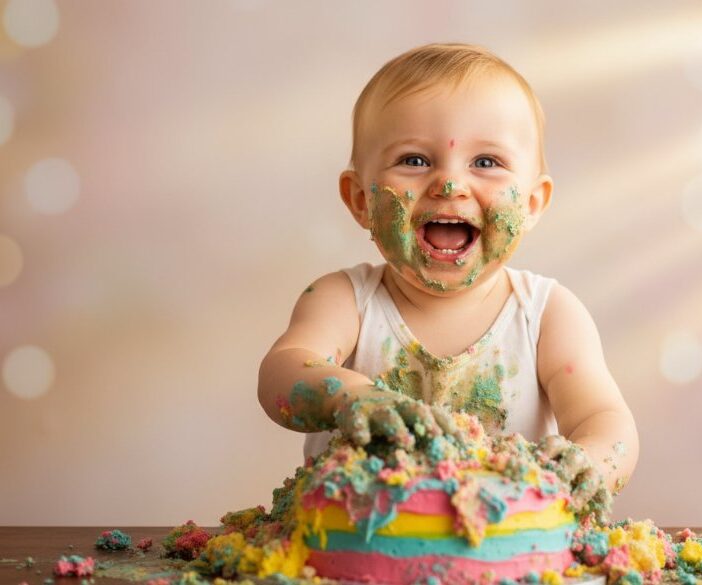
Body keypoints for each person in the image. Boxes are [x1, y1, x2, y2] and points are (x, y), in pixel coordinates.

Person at [257, 43, 638, 508]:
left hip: (511, 541)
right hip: (352, 542)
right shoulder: (345, 300)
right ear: (360, 199)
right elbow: (281, 373)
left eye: (486, 162)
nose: (450, 184)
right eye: (415, 160)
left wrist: (589, 463)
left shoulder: (545, 315)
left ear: (532, 203)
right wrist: (351, 397)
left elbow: (605, 419)